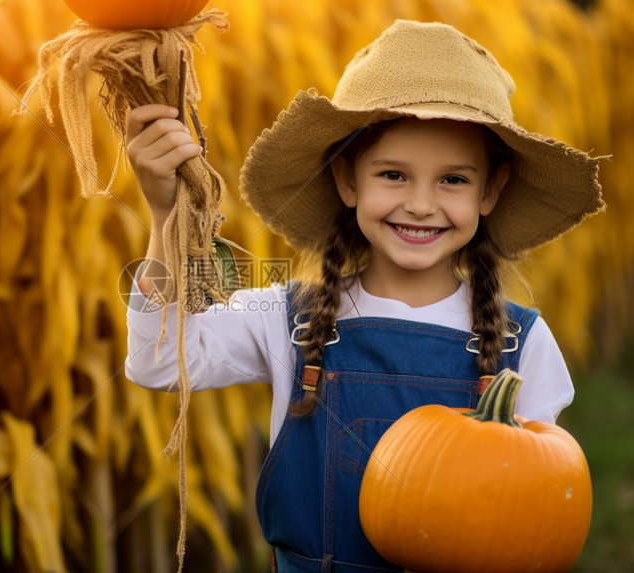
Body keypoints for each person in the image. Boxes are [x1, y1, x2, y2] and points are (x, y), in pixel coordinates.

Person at [124, 20, 603, 572]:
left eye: (453, 180)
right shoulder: (286, 319)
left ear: (490, 190)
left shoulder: (525, 343)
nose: (421, 204)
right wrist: (165, 216)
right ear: (348, 181)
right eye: (394, 174)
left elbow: (537, 510)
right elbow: (158, 361)